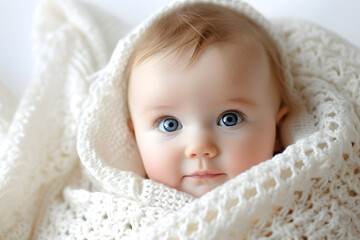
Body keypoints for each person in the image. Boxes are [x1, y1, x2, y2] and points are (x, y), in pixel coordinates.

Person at [126, 2, 291, 198]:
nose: (199, 147)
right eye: (169, 124)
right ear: (136, 137)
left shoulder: (295, 199)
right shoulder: (125, 213)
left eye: (230, 118)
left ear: (277, 131)